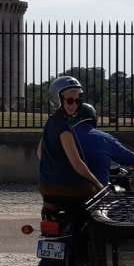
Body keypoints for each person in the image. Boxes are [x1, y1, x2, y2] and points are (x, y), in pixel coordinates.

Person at [37, 76, 102, 220]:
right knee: (97, 214)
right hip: (71, 189)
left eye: (78, 100)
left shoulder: (50, 123)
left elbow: (39, 153)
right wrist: (98, 184)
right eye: (70, 100)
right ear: (58, 100)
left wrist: (53, 168)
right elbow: (77, 163)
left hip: (46, 188)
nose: (74, 105)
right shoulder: (64, 128)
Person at [69, 103, 134, 188]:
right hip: (96, 194)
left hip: (61, 193)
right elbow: (132, 160)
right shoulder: (103, 138)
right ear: (94, 118)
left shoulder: (62, 137)